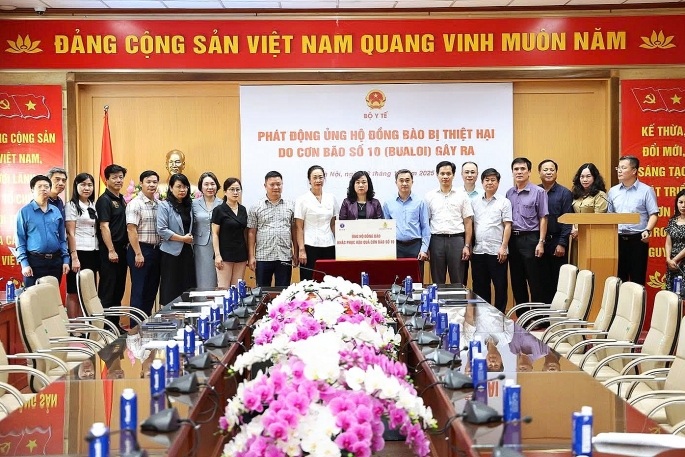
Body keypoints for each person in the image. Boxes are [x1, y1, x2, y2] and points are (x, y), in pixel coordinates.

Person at [506, 157, 548, 317]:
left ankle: (539, 317)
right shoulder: (509, 193)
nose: (519, 172)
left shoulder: (539, 192)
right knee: (517, 280)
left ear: (529, 172)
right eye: (516, 169)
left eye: (522, 169)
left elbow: (543, 218)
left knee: (534, 280)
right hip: (513, 240)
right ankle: (523, 317)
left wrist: (541, 242)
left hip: (531, 239)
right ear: (512, 172)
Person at [608, 155, 659, 285]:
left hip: (638, 239)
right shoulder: (613, 191)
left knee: (637, 279)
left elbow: (653, 214)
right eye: (618, 168)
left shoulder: (646, 190)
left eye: (623, 168)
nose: (619, 171)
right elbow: (609, 216)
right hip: (617, 240)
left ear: (634, 170)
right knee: (619, 280)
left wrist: (648, 230)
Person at [15, 175, 70, 288]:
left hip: (55, 262)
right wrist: (24, 264)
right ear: (32, 190)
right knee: (33, 296)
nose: (43, 189)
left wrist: (65, 259)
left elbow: (62, 238)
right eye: (39, 186)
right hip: (34, 262)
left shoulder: (56, 211)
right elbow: (20, 240)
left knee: (52, 295)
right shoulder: (24, 212)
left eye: (46, 186)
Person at [425, 161, 473, 285]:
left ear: (453, 175)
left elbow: (468, 222)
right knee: (437, 281)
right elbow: (426, 222)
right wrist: (426, 247)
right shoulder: (429, 196)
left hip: (457, 240)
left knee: (458, 280)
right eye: (442, 173)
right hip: (436, 241)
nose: (445, 176)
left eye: (448, 173)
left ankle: (459, 299)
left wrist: (467, 245)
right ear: (437, 175)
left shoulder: (462, 195)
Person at [471, 168, 512, 314]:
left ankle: (499, 315)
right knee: (480, 286)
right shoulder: (474, 202)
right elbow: (470, 225)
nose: (490, 183)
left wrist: (503, 247)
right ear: (482, 182)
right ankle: (482, 315)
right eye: (487, 180)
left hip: (497, 251)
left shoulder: (504, 202)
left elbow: (508, 225)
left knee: (500, 286)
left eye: (493, 180)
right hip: (478, 251)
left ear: (498, 183)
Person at [247, 171, 297, 287]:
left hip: (284, 255)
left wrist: (296, 252)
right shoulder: (256, 206)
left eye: (278, 184)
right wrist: (251, 256)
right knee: (263, 291)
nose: (276, 187)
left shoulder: (291, 205)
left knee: (284, 292)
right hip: (263, 256)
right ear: (265, 185)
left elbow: (294, 230)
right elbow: (251, 232)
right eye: (272, 184)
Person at [382, 169, 430, 282]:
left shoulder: (420, 202)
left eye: (407, 180)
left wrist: (424, 249)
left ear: (412, 182)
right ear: (396, 182)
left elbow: (425, 227)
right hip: (396, 247)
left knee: (416, 282)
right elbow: (384, 229)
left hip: (415, 246)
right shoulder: (388, 203)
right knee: (396, 280)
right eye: (401, 180)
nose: (404, 183)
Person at [126, 170, 161, 318]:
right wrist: (138, 253)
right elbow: (131, 229)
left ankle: (146, 323)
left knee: (151, 291)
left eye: (154, 182)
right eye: (148, 182)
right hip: (140, 250)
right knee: (139, 291)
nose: (152, 185)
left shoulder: (159, 204)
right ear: (141, 184)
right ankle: (135, 326)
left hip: (156, 251)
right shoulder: (135, 204)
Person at [295, 165, 339, 281]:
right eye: (314, 177)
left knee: (329, 280)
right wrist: (301, 250)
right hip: (310, 245)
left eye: (321, 177)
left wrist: (339, 244)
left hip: (329, 244)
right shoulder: (302, 199)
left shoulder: (331, 198)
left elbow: (333, 224)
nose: (318, 180)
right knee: (309, 281)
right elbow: (299, 228)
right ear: (309, 180)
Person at [538, 159, 573, 304]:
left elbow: (568, 219)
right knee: (541, 281)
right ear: (539, 173)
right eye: (545, 170)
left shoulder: (565, 193)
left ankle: (556, 313)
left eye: (552, 169)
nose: (549, 172)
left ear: (556, 172)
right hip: (539, 242)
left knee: (558, 282)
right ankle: (543, 314)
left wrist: (562, 243)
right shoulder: (535, 191)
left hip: (557, 241)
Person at [157, 173, 196, 306]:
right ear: (171, 187)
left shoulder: (189, 205)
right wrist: (182, 239)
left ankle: (187, 314)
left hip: (187, 251)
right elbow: (162, 229)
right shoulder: (165, 205)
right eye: (179, 186)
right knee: (171, 288)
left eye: (185, 187)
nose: (182, 190)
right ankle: (170, 315)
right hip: (170, 253)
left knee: (187, 286)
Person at [96, 164, 129, 316]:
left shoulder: (121, 199)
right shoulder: (104, 200)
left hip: (122, 250)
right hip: (110, 251)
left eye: (121, 177)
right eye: (114, 177)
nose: (118, 180)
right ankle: (104, 326)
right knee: (108, 290)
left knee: (118, 289)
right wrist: (111, 250)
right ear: (106, 180)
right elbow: (104, 226)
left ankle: (114, 325)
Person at [65, 173, 99, 318]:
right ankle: (73, 326)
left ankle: (86, 324)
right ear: (76, 186)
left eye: (90, 185)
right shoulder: (71, 205)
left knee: (88, 290)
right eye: (83, 184)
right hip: (78, 251)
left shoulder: (93, 205)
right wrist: (74, 257)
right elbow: (70, 233)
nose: (87, 188)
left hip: (93, 251)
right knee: (74, 290)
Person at [212, 178, 248, 288]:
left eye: (238, 189)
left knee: (237, 288)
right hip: (225, 254)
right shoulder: (219, 210)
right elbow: (215, 234)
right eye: (232, 189)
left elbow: (245, 232)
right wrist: (217, 255)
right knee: (224, 288)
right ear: (225, 191)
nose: (235, 192)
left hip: (241, 254)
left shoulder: (243, 209)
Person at [570, 163, 608, 264]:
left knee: (588, 266)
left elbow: (598, 219)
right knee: (576, 266)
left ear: (595, 177)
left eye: (588, 176)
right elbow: (572, 214)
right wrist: (573, 229)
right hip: (575, 237)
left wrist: (581, 231)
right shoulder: (576, 194)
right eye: (582, 177)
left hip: (591, 236)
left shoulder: (600, 195)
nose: (585, 180)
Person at [192, 172, 222, 289]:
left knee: (220, 279)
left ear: (217, 186)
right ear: (201, 187)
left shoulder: (223, 203)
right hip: (201, 246)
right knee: (202, 278)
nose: (210, 187)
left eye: (212, 184)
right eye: (206, 184)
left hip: (219, 246)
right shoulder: (193, 204)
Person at [461, 161, 480, 285]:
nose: (469, 175)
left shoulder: (483, 194)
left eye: (472, 172)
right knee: (461, 274)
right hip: (461, 237)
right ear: (461, 174)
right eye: (466, 172)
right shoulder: (456, 193)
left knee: (478, 275)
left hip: (478, 237)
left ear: (477, 174)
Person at [665, 189, 685, 292]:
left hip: (681, 262)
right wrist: (668, 259)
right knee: (672, 295)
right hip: (672, 265)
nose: (683, 206)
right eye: (680, 202)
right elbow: (668, 242)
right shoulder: (672, 220)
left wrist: (676, 259)